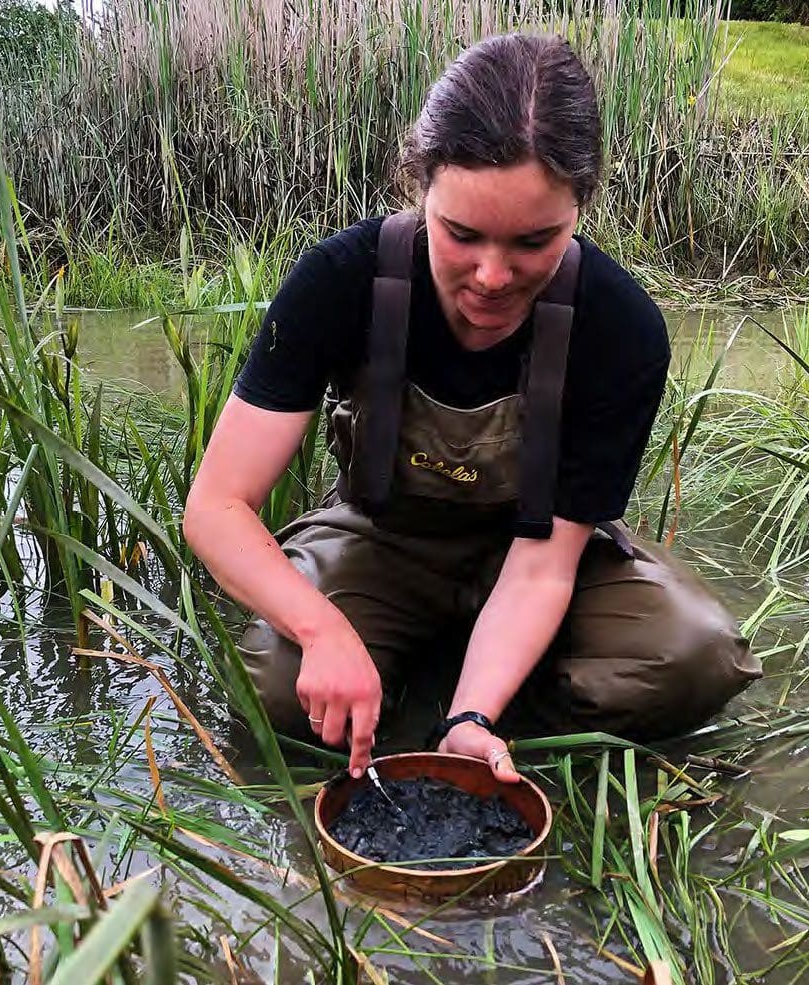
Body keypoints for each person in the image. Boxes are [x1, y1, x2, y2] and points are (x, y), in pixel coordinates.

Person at [183, 33, 760, 785]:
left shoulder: (622, 328)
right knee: (275, 688)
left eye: (534, 241)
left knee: (697, 658)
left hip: (544, 557)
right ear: (420, 184)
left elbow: (543, 568)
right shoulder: (338, 280)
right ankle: (405, 676)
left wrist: (471, 718)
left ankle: (472, 716)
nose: (491, 275)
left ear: (581, 205)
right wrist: (321, 629)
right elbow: (216, 506)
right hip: (383, 539)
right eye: (461, 234)